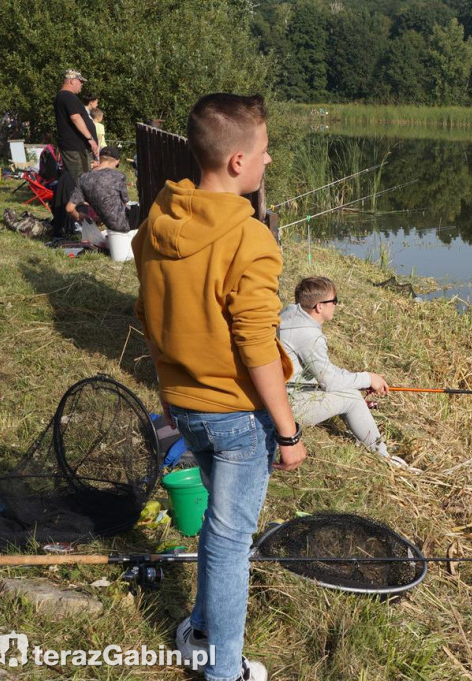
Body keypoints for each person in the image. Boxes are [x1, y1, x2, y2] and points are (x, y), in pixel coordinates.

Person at [132, 92, 304, 681]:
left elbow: (151, 314)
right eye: (263, 152)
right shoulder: (249, 238)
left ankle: (201, 629)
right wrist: (288, 431)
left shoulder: (158, 219)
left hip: (184, 404)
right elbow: (256, 346)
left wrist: (168, 392)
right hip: (235, 417)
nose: (268, 163)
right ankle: (224, 671)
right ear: (237, 162)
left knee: (216, 529)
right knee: (231, 544)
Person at [279, 277, 418, 472]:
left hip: (284, 393)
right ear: (319, 307)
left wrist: (357, 380)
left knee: (349, 389)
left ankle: (372, 442)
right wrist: (367, 378)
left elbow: (323, 370)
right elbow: (330, 381)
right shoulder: (308, 336)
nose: (336, 305)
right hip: (287, 405)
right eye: (334, 301)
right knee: (350, 397)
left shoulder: (290, 314)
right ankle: (385, 458)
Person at [64, 146, 129, 232]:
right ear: (117, 161)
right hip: (124, 226)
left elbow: (69, 208)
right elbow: (124, 204)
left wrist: (79, 216)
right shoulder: (119, 176)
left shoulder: (84, 178)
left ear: (100, 159)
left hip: (108, 223)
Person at [53, 70, 97, 180]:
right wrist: (90, 138)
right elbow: (75, 117)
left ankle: (79, 197)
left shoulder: (66, 96)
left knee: (83, 177)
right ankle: (76, 197)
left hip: (77, 147)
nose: (82, 84)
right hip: (74, 148)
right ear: (72, 81)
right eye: (80, 81)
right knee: (79, 179)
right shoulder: (67, 96)